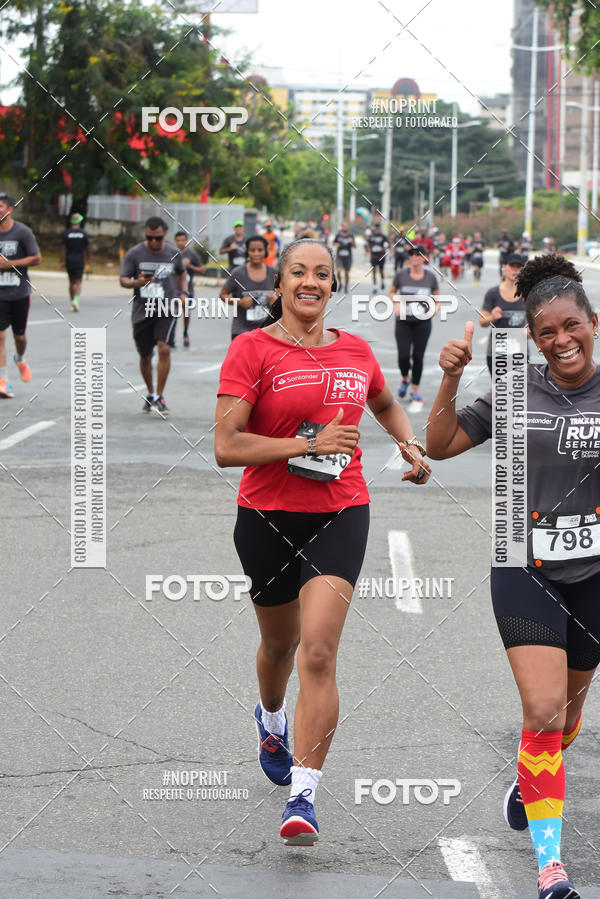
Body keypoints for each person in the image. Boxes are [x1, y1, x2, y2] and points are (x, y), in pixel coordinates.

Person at [214, 237, 431, 846]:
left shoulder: (356, 351)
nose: (311, 282)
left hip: (341, 510)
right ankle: (271, 717)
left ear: (333, 287)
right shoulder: (250, 350)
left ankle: (303, 795)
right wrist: (307, 446)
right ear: (279, 284)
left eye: (323, 274)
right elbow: (227, 446)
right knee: (278, 647)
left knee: (317, 651)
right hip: (266, 516)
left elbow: (384, 402)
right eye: (299, 272)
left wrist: (407, 442)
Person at [426, 253, 599, 899]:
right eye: (546, 331)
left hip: (594, 574)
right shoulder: (517, 389)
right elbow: (439, 445)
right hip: (523, 564)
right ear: (533, 336)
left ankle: (533, 776)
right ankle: (551, 869)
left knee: (569, 713)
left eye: (571, 326)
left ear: (593, 322)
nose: (561, 340)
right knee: (543, 708)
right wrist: (448, 380)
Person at [119, 216, 188, 415]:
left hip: (167, 308)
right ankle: (150, 394)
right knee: (146, 354)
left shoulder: (174, 253)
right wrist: (138, 283)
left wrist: (183, 293)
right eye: (149, 237)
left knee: (164, 349)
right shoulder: (135, 253)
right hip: (143, 311)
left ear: (164, 235)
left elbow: (182, 274)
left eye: (157, 238)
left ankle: (160, 395)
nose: (153, 242)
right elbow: (123, 280)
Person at [0, 192, 41, 398]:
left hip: (19, 293)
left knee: (19, 336)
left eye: (0, 206)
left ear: (9, 209)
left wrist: (11, 264)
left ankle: (20, 358)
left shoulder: (23, 232)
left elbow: (37, 258)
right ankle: (3, 381)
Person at [390, 245, 440, 405]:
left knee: (418, 356)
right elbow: (392, 292)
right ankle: (405, 379)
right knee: (403, 356)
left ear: (425, 258)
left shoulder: (430, 277)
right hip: (403, 321)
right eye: (412, 254)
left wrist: (435, 309)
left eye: (418, 255)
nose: (414, 257)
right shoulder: (401, 275)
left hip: (423, 322)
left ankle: (415, 389)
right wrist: (397, 302)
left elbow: (437, 297)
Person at [219, 235, 276, 341]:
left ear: (265, 251)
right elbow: (223, 295)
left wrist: (276, 302)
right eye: (252, 250)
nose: (256, 254)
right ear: (247, 252)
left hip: (267, 330)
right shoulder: (238, 273)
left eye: (260, 250)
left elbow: (287, 296)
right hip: (242, 330)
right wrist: (239, 302)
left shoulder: (274, 273)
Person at [480, 253, 527, 374]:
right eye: (512, 266)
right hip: (497, 352)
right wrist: (492, 317)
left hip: (520, 352)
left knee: (518, 391)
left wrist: (530, 332)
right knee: (500, 391)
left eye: (519, 267)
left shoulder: (528, 294)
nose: (515, 270)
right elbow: (482, 322)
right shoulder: (493, 293)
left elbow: (534, 325)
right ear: (504, 267)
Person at [174, 231, 205, 349]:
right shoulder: (171, 254)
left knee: (186, 312)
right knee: (172, 312)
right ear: (175, 241)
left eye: (183, 240)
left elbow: (202, 270)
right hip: (173, 288)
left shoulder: (192, 255)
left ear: (186, 241)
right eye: (178, 240)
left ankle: (185, 332)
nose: (181, 242)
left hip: (188, 289)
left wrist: (189, 266)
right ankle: (170, 335)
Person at [60, 212, 90, 312]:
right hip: (79, 260)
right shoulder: (83, 233)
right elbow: (88, 248)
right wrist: (88, 260)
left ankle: (72, 301)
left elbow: (62, 249)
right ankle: (76, 301)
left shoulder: (66, 233)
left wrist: (62, 261)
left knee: (71, 282)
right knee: (78, 282)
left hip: (69, 260)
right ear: (80, 221)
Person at [332, 222, 356, 293]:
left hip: (348, 257)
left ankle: (346, 286)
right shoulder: (338, 235)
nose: (345, 227)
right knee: (338, 271)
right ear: (342, 227)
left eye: (346, 226)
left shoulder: (351, 235)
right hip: (340, 257)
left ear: (348, 227)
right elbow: (333, 243)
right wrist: (337, 244)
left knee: (346, 273)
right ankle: (340, 283)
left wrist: (352, 242)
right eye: (344, 226)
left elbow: (355, 246)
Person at [367, 221, 389, 293]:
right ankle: (375, 287)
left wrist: (383, 248)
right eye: (375, 228)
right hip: (374, 256)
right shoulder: (371, 236)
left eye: (378, 228)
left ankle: (382, 281)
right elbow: (368, 245)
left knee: (381, 271)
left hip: (381, 256)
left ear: (380, 228)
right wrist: (369, 254)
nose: (377, 229)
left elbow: (387, 244)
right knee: (374, 271)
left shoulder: (383, 236)